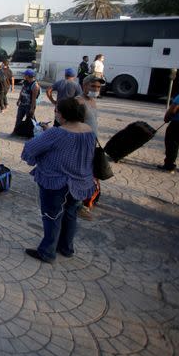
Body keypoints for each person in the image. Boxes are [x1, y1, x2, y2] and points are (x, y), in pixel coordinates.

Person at [21, 98, 96, 263]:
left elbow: (31, 148)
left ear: (62, 114)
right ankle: (66, 248)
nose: (55, 114)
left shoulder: (57, 133)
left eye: (56, 111)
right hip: (80, 182)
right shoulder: (88, 130)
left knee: (52, 216)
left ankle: (47, 252)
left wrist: (43, 133)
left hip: (56, 181)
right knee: (70, 215)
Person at [76, 74, 104, 219]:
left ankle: (88, 200)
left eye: (98, 87)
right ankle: (79, 203)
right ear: (84, 85)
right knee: (82, 174)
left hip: (92, 143)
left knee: (91, 173)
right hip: (81, 145)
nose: (96, 89)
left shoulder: (93, 101)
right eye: (93, 86)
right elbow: (72, 124)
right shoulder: (78, 101)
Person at [12, 69, 40, 135]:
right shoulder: (25, 82)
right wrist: (19, 99)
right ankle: (15, 132)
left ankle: (35, 133)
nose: (24, 75)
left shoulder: (35, 85)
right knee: (18, 118)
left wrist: (32, 108)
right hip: (22, 104)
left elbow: (34, 99)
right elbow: (22, 91)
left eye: (25, 75)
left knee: (31, 120)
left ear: (28, 76)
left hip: (29, 106)